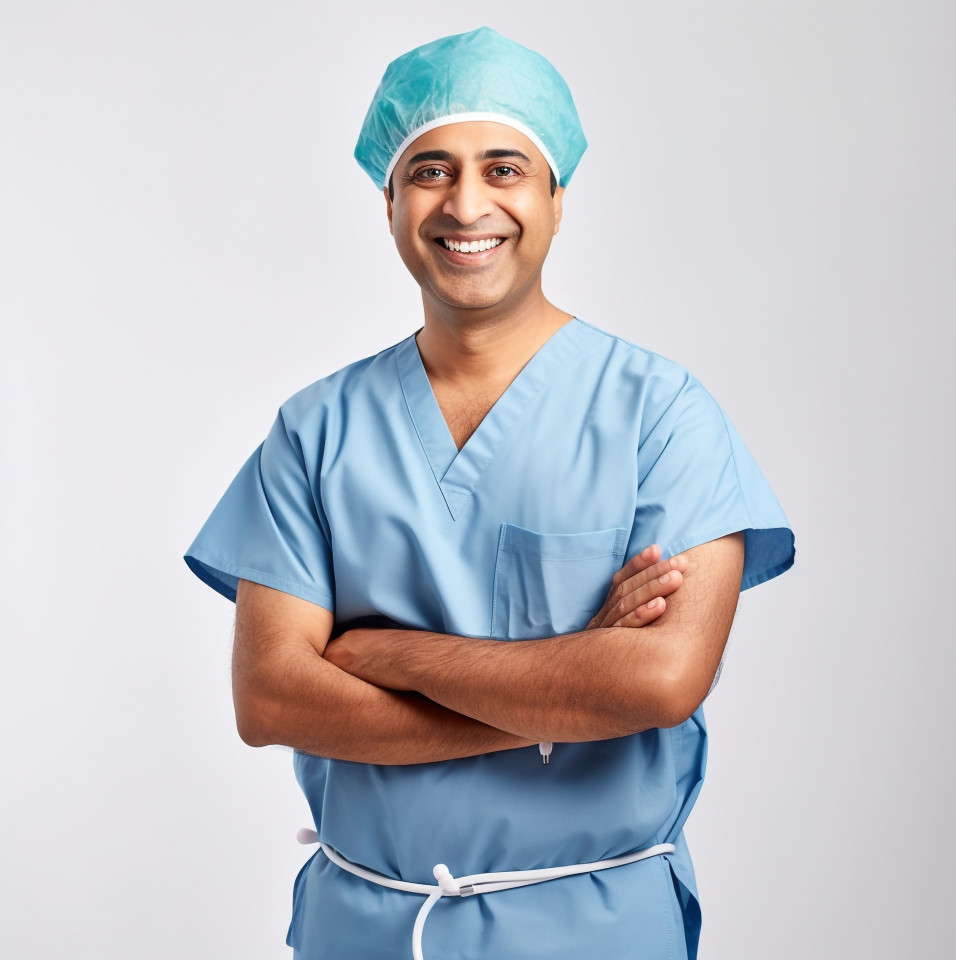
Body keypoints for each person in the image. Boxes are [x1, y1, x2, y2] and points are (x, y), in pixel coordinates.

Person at [185, 26, 794, 960]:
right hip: (367, 929)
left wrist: (393, 654)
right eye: (430, 170)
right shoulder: (316, 431)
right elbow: (271, 698)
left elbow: (663, 680)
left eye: (505, 168)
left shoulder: (661, 415)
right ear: (388, 201)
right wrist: (568, 683)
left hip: (594, 930)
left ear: (556, 200)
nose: (467, 203)